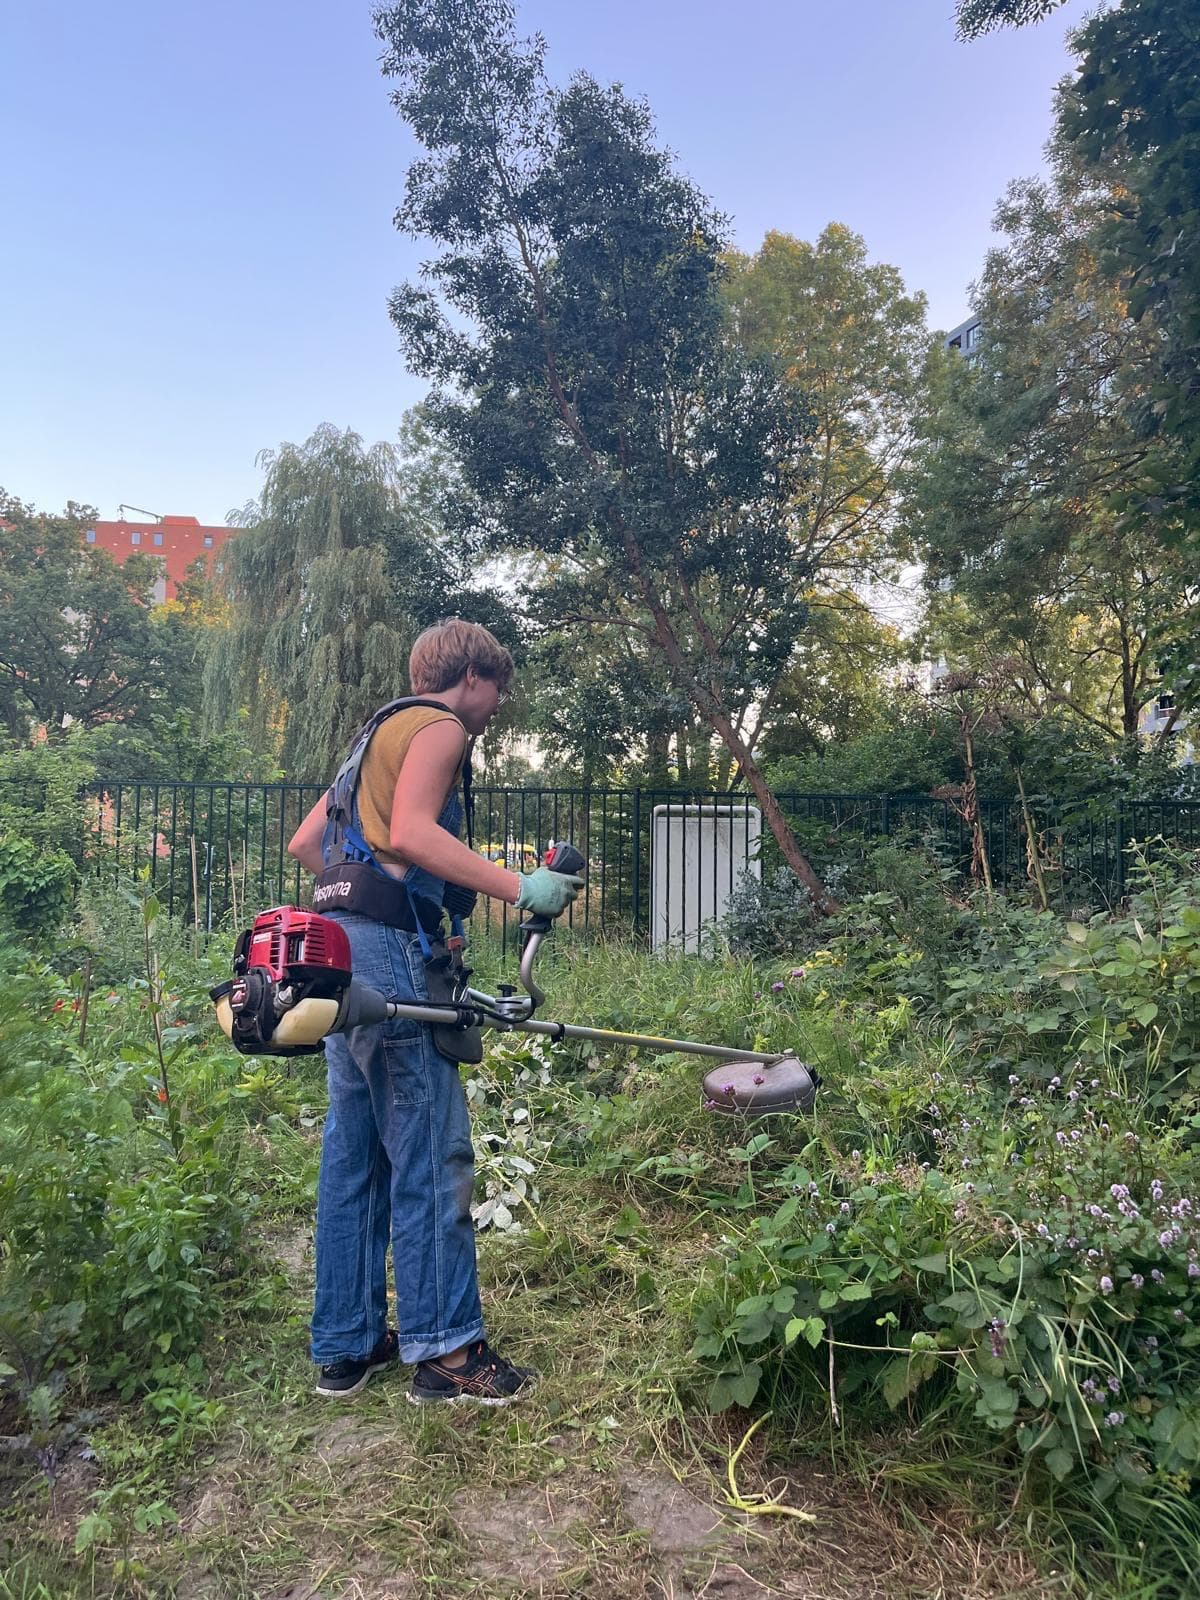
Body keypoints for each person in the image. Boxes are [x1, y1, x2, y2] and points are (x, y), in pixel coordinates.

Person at [286, 620, 583, 1404]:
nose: (494, 710)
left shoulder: (375, 734)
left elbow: (310, 845)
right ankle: (448, 1349)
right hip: (382, 955)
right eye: (498, 694)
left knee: (355, 1153)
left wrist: (402, 908)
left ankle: (346, 1345)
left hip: (337, 948)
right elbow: (414, 833)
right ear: (474, 676)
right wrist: (522, 887)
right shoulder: (442, 726)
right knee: (427, 1151)